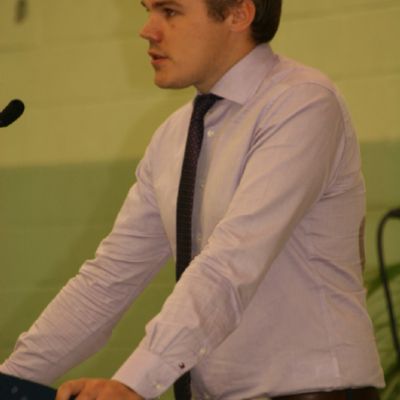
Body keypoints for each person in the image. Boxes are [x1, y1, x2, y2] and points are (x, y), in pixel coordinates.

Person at [0, 0, 385, 399]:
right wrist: (10, 381)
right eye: (148, 10)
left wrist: (132, 383)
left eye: (169, 11)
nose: (147, 30)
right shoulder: (174, 135)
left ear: (238, 14)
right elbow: (107, 281)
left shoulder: (302, 103)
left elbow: (231, 264)